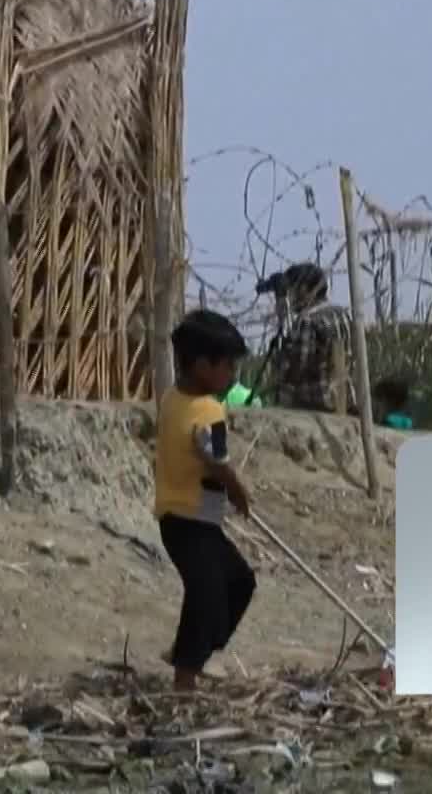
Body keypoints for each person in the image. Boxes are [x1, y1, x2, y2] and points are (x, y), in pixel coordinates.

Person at [155, 309, 257, 692]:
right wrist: (238, 490)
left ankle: (194, 653)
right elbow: (216, 460)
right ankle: (185, 675)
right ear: (201, 366)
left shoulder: (171, 399)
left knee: (239, 582)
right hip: (190, 519)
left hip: (184, 519)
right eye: (227, 366)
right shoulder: (210, 410)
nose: (232, 374)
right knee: (206, 592)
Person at [263, 262, 354, 413]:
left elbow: (297, 368)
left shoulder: (308, 320)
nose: (289, 297)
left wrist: (280, 356)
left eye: (291, 291)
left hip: (316, 402)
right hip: (343, 398)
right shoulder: (343, 314)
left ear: (304, 289)